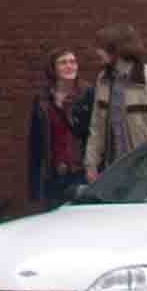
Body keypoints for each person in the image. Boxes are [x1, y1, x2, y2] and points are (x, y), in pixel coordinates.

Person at [83, 22, 147, 183]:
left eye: (101, 47)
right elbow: (96, 126)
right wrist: (91, 164)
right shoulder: (102, 80)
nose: (97, 52)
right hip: (112, 169)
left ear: (115, 49)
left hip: (145, 170)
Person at [24, 46, 89, 207]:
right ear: (53, 68)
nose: (69, 66)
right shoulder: (43, 99)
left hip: (80, 170)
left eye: (73, 62)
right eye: (63, 63)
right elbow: (36, 142)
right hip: (53, 171)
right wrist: (35, 182)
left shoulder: (87, 94)